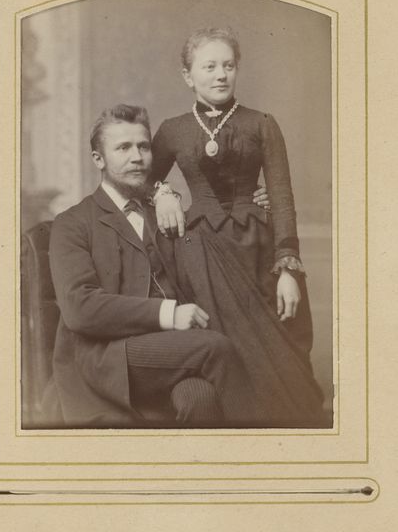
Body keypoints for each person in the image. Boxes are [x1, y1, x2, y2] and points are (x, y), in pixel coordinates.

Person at [48, 104, 273, 428]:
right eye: (123, 148)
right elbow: (79, 309)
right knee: (215, 348)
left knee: (199, 397)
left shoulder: (164, 213)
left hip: (169, 350)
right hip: (107, 355)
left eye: (143, 146)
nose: (137, 157)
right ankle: (258, 450)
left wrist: (252, 204)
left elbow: (215, 251)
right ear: (99, 159)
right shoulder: (72, 223)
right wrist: (169, 313)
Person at [150, 27, 326, 427]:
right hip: (200, 259)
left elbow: (281, 196)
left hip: (259, 252)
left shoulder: (261, 123)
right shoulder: (173, 129)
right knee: (225, 360)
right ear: (188, 75)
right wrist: (163, 193)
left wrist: (287, 269)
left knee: (282, 362)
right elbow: (144, 180)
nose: (220, 75)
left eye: (228, 66)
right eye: (209, 66)